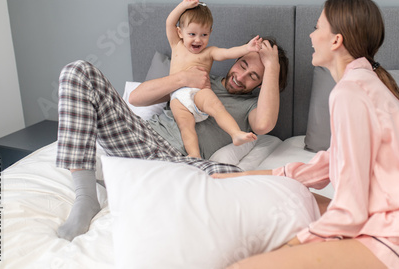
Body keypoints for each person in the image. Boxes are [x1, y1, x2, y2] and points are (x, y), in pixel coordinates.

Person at [213, 0, 399, 269]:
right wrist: (242, 177)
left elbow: (350, 211)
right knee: (290, 195)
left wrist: (289, 247)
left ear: (335, 40)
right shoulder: (366, 83)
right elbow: (327, 164)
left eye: (316, 27)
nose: (311, 35)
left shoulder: (350, 93)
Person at [55, 36, 289, 241]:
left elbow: (264, 124)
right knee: (78, 71)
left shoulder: (251, 106)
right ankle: (85, 198)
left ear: (261, 83)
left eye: (253, 76)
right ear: (236, 58)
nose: (241, 76)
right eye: (242, 64)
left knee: (254, 184)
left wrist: (273, 65)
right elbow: (136, 98)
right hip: (139, 138)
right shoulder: (202, 76)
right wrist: (183, 78)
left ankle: (126, 179)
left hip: (179, 162)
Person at [167, 0, 261, 158]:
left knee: (217, 108)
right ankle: (194, 155)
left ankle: (235, 133)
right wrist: (183, 6)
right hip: (178, 97)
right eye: (192, 34)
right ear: (179, 32)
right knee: (186, 127)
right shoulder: (177, 45)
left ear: (210, 32)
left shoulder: (209, 52)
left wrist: (247, 48)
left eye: (204, 35)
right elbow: (169, 22)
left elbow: (228, 53)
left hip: (199, 92)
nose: (198, 39)